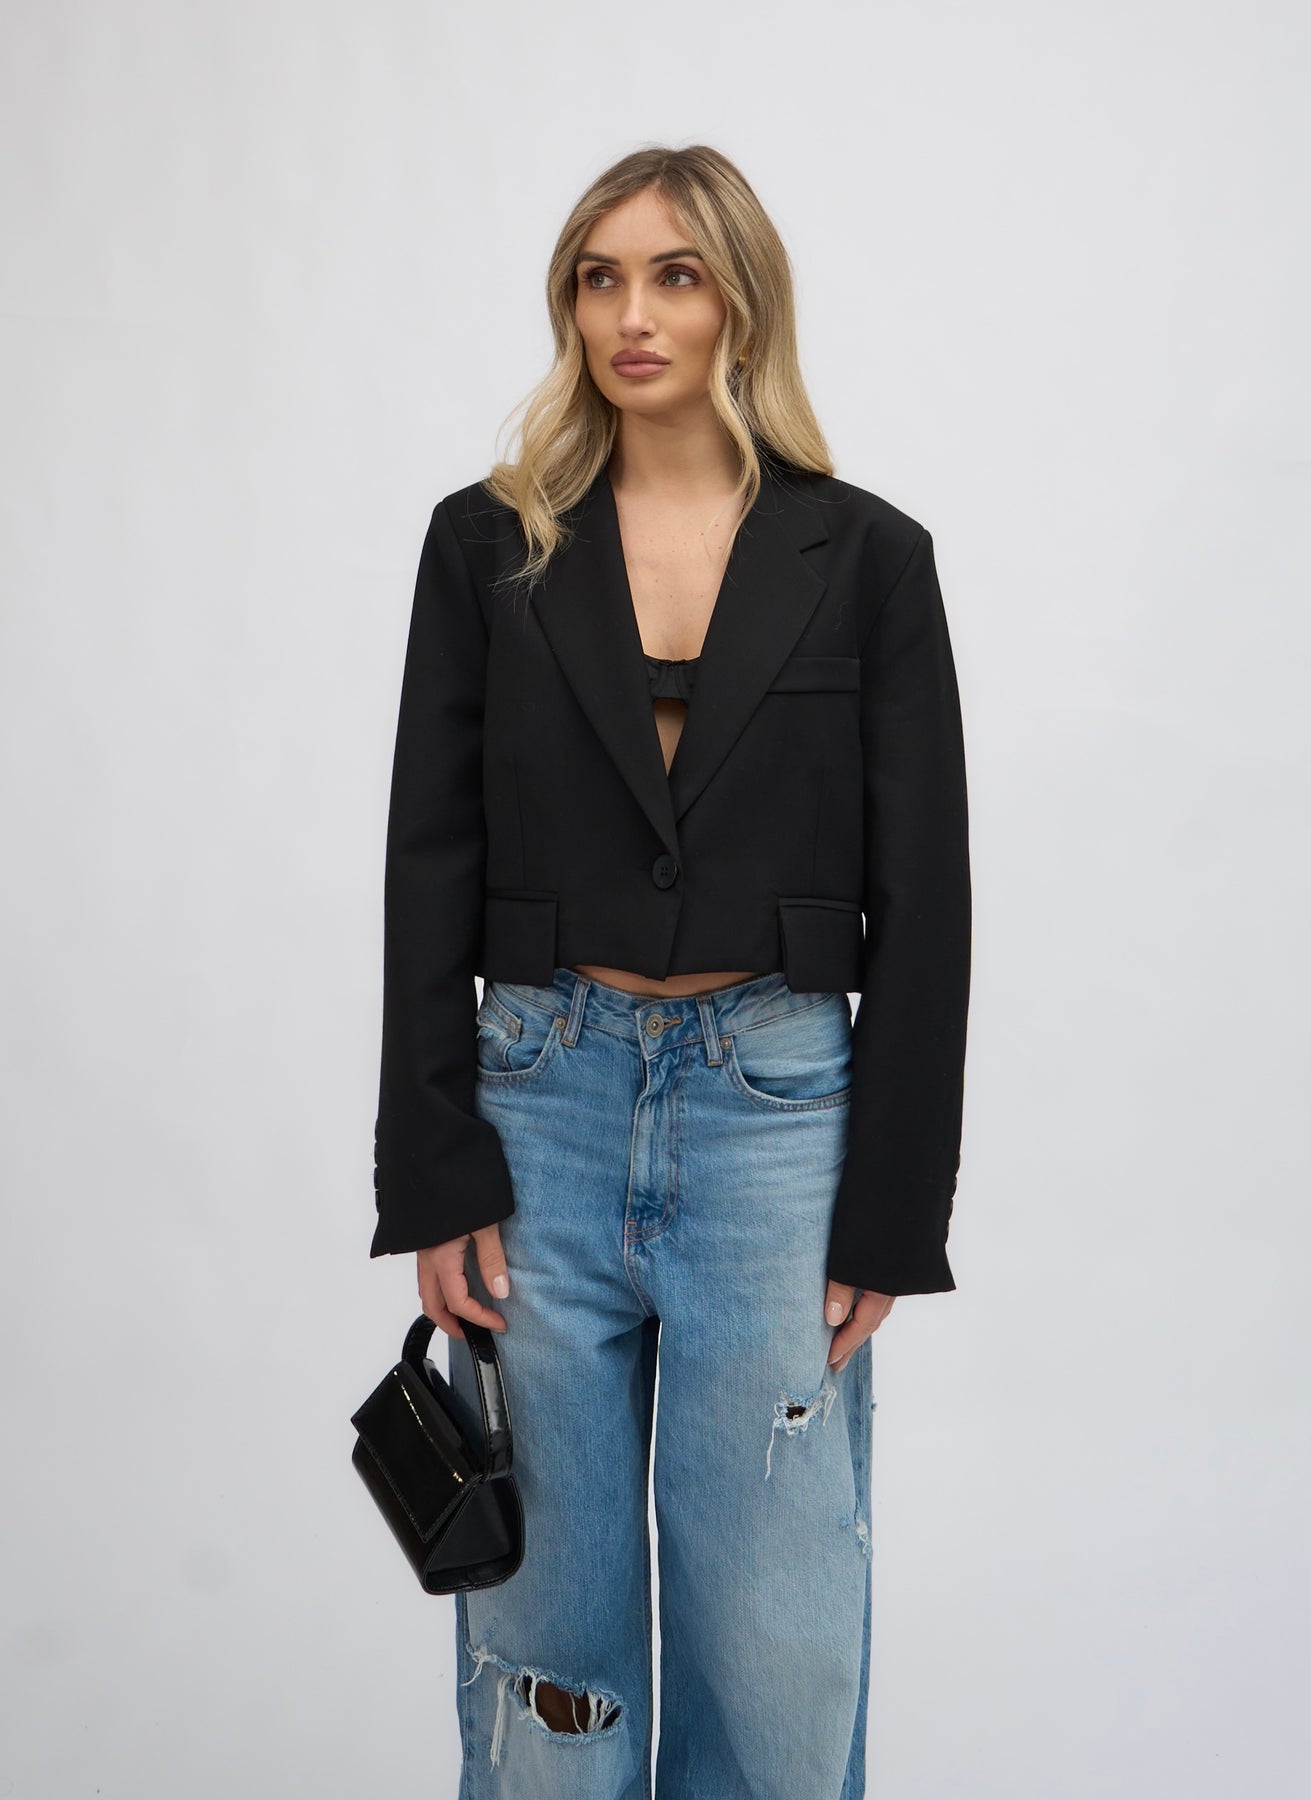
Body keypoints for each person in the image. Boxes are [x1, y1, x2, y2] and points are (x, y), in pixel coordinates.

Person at [370, 143, 972, 1799]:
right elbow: (428, 860)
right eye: (599, 278)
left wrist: (891, 1211)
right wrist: (433, 1167)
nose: (631, 314)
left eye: (674, 275)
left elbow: (925, 899)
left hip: (775, 1121)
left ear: (738, 305)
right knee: (544, 1638)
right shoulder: (486, 547)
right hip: (538, 1108)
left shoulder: (866, 558)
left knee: (772, 1635)